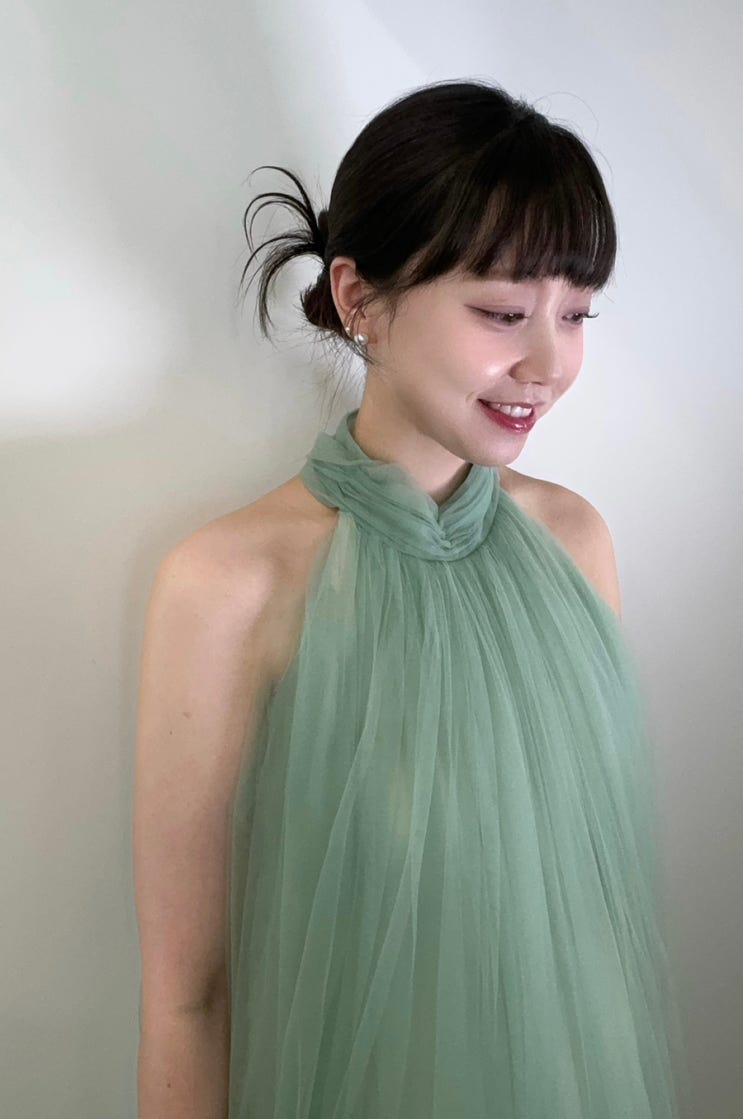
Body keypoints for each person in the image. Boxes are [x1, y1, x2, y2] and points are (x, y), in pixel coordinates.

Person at [133, 79, 690, 1118]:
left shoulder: (574, 544)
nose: (548, 363)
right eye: (502, 312)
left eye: (575, 313)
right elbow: (187, 998)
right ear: (358, 300)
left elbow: (590, 937)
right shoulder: (228, 584)